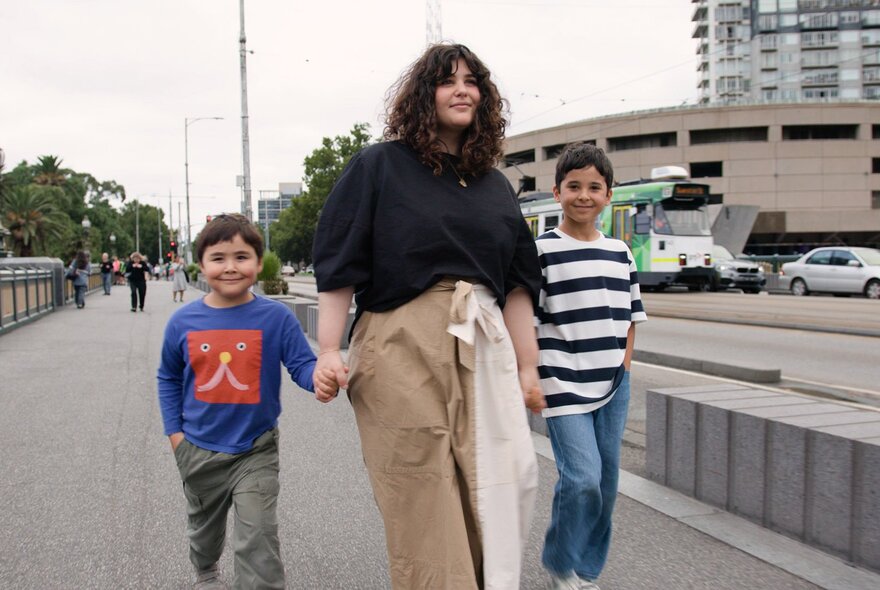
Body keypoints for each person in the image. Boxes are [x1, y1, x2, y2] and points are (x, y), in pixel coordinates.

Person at [312, 42, 545, 589]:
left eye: (472, 81)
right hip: (400, 341)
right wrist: (328, 350)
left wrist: (529, 366)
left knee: (499, 482)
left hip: (484, 343)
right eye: (447, 80)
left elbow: (517, 283)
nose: (462, 89)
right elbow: (339, 264)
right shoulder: (380, 165)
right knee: (423, 487)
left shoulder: (495, 185)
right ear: (424, 94)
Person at [157, 213, 339, 589]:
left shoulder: (275, 317)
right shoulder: (183, 322)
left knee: (258, 537)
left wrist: (320, 380)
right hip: (198, 450)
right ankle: (206, 572)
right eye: (218, 257)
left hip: (255, 449)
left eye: (241, 257)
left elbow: (302, 365)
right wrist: (176, 437)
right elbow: (168, 377)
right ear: (201, 264)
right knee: (204, 531)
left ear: (258, 262)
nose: (230, 267)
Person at [535, 143, 647, 590]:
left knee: (608, 482)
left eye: (594, 187)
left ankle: (587, 571)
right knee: (582, 478)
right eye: (574, 186)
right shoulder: (541, 251)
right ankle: (560, 563)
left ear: (609, 194)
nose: (584, 195)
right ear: (556, 190)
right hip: (562, 381)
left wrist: (625, 364)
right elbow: (526, 315)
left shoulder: (620, 251)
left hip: (614, 383)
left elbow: (632, 315)